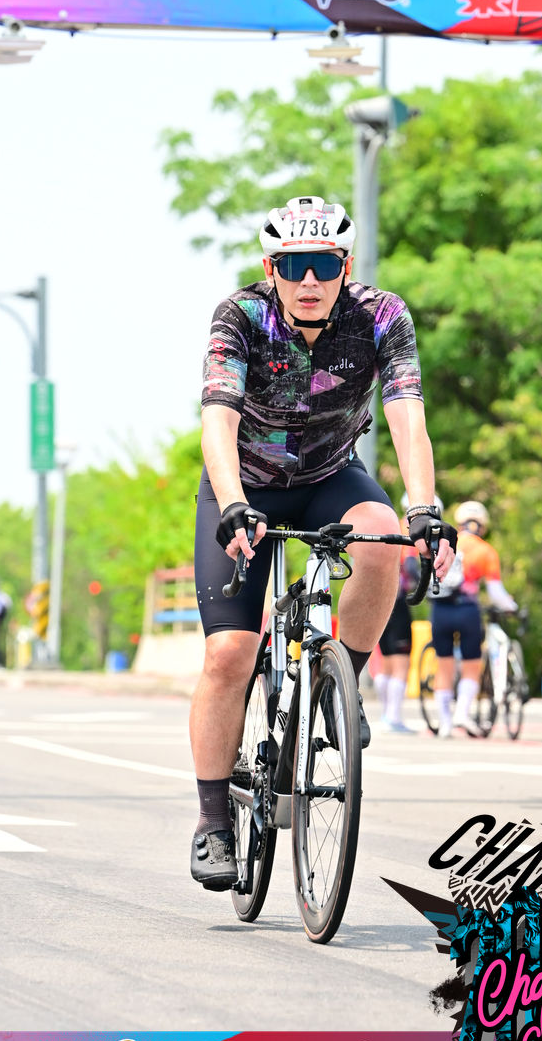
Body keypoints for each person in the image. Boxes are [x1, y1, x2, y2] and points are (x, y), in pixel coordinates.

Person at [189, 195, 457, 890]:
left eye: (324, 265)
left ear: (346, 266)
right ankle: (213, 822)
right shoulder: (240, 316)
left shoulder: (382, 316)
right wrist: (234, 504)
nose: (308, 280)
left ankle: (343, 691)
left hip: (331, 475)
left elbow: (406, 413)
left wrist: (424, 509)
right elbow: (217, 420)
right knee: (229, 653)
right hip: (245, 483)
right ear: (270, 269)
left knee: (384, 538)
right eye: (293, 266)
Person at [430, 500, 517, 738]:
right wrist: (512, 607)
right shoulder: (485, 551)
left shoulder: (446, 545)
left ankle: (445, 724)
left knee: (444, 667)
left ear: (459, 523)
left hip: (440, 610)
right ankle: (462, 713)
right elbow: (496, 593)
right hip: (468, 611)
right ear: (483, 526)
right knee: (471, 665)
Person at [374, 494, 441, 734]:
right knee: (401, 661)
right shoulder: (414, 529)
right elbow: (412, 565)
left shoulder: (389, 523)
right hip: (397, 600)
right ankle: (393, 717)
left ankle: (385, 714)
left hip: (377, 598)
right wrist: (422, 585)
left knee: (386, 661)